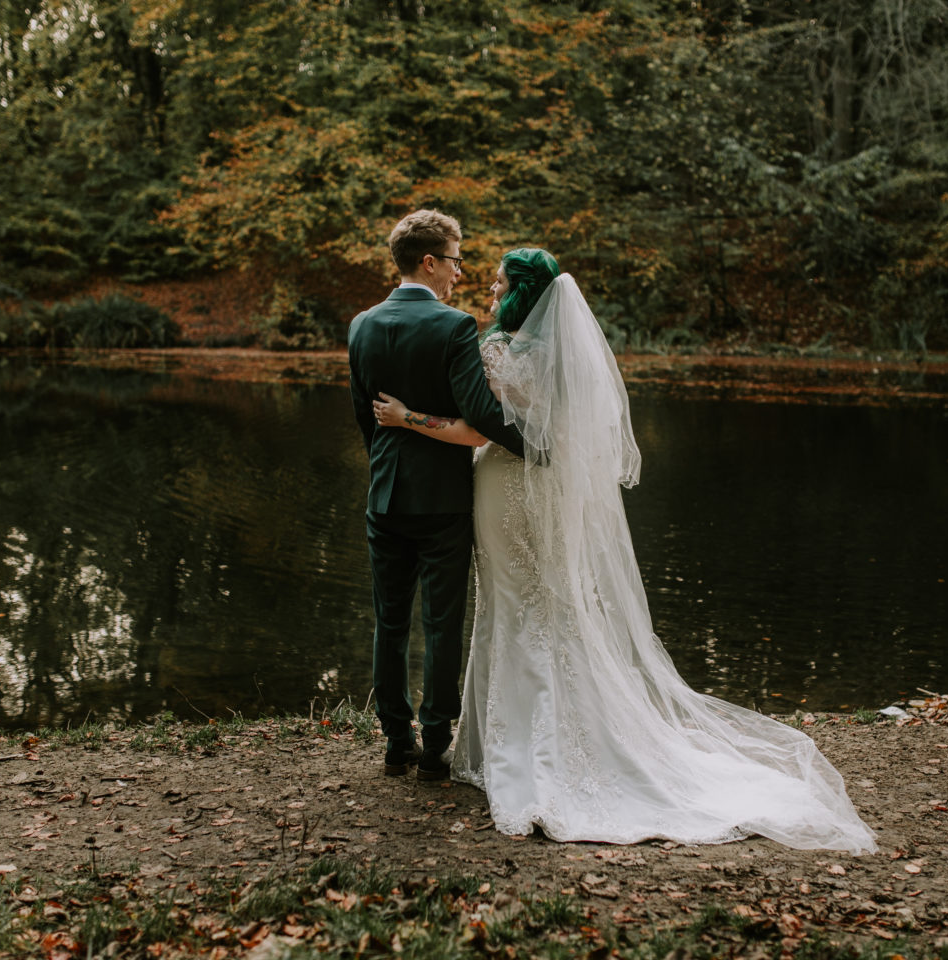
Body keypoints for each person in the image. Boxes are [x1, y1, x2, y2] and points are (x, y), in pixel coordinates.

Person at [371, 248, 877, 852]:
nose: (489, 286)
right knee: (551, 602)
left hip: (506, 486)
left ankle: (514, 747)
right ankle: (570, 735)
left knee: (509, 602)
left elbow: (478, 429)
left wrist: (405, 417)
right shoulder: (564, 355)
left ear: (520, 293)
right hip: (551, 493)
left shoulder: (497, 350)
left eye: (500, 281)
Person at [347, 210, 525, 781]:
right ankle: (435, 746)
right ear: (429, 261)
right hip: (444, 499)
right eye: (454, 259)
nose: (459, 270)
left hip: (384, 496)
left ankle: (396, 742)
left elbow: (365, 419)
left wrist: (390, 450)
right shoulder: (453, 327)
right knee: (443, 623)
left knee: (389, 622)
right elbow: (480, 413)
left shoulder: (360, 326)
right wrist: (539, 446)